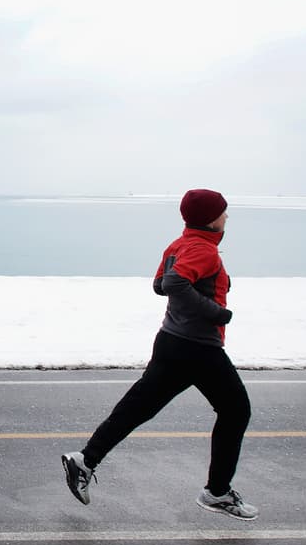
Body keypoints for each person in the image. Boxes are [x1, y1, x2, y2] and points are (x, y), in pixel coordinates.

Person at [61, 188, 257, 520]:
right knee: (236, 410)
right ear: (211, 218)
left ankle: (85, 460)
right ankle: (217, 492)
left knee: (138, 408)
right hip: (198, 347)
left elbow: (159, 283)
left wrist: (200, 289)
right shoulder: (203, 251)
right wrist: (216, 312)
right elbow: (174, 283)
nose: (227, 217)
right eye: (223, 212)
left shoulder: (180, 244)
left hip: (171, 341)